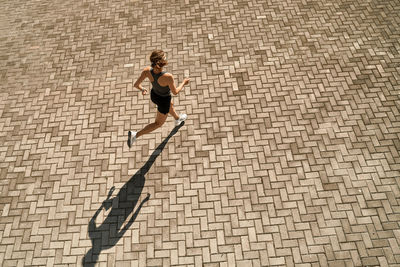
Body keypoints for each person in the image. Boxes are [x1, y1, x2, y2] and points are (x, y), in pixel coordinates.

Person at [127, 50, 190, 147]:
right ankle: (135, 135)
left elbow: (136, 85)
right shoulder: (168, 77)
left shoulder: (147, 70)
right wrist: (184, 83)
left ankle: (178, 119)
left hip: (154, 95)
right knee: (158, 123)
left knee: (171, 105)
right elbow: (175, 92)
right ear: (162, 62)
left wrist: (143, 89)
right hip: (163, 101)